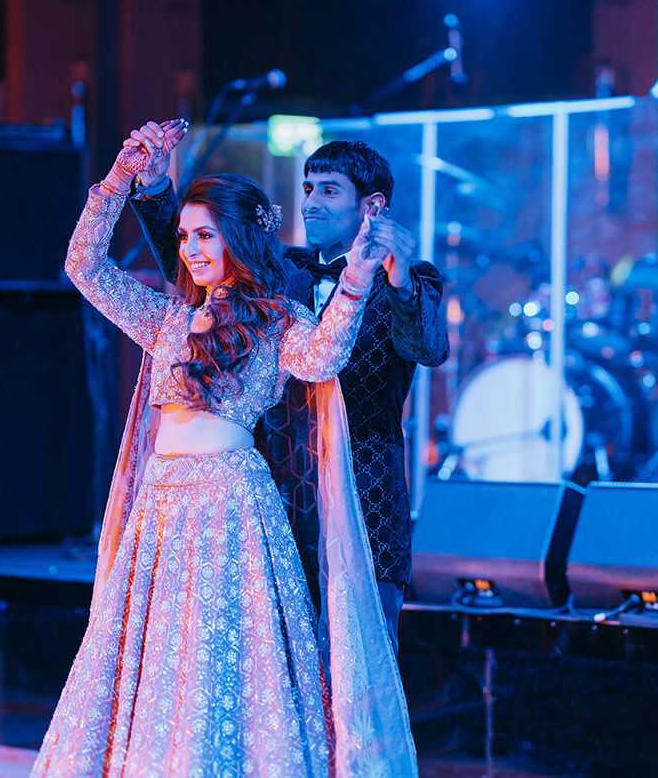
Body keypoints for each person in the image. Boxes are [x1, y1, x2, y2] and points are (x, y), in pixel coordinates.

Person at [32, 120, 417, 776]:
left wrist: (354, 282)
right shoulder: (168, 318)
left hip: (232, 505)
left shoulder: (278, 319)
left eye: (205, 235)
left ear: (239, 236)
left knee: (223, 658)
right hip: (159, 509)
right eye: (184, 237)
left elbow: (322, 359)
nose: (189, 249)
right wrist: (119, 180)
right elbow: (83, 267)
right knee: (159, 656)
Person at [128, 126, 449, 652]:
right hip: (279, 491)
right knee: (277, 655)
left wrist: (397, 276)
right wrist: (155, 185)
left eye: (329, 190)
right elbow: (191, 258)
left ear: (372, 206)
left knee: (362, 653)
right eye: (307, 188)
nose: (311, 203)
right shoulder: (281, 273)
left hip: (366, 493)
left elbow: (428, 348)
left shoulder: (414, 281)